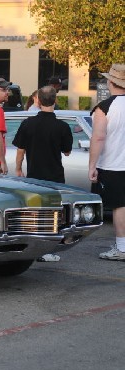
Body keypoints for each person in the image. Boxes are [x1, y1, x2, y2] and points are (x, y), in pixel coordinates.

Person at [13, 85, 73, 262]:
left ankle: (32, 247)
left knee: (34, 212)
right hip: (55, 176)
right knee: (54, 214)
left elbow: (20, 150)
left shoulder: (27, 123)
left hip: (33, 175)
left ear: (37, 101)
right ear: (55, 101)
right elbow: (67, 151)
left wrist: (18, 168)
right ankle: (47, 249)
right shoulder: (62, 126)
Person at [88, 63, 125, 261]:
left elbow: (98, 138)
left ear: (111, 82)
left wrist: (92, 166)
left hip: (114, 164)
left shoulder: (104, 107)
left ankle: (122, 247)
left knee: (120, 206)